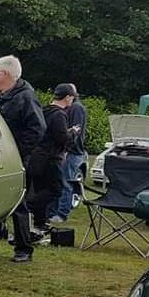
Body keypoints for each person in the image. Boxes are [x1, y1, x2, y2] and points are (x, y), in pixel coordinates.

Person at [0, 55, 46, 263]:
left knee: (17, 202)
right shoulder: (4, 97)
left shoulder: (25, 97)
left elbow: (38, 129)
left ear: (5, 74)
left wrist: (17, 152)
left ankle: (24, 248)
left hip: (16, 158)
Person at [27, 84, 74, 234]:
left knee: (41, 188)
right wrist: (72, 133)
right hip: (51, 158)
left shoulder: (43, 110)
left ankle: (40, 223)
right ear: (67, 97)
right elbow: (61, 137)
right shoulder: (59, 114)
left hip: (37, 156)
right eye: (72, 97)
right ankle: (30, 205)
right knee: (55, 190)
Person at [49, 83, 87, 223]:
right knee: (60, 181)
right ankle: (53, 212)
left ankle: (61, 214)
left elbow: (76, 130)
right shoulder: (68, 108)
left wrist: (67, 149)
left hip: (72, 152)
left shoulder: (76, 108)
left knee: (66, 182)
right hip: (67, 150)